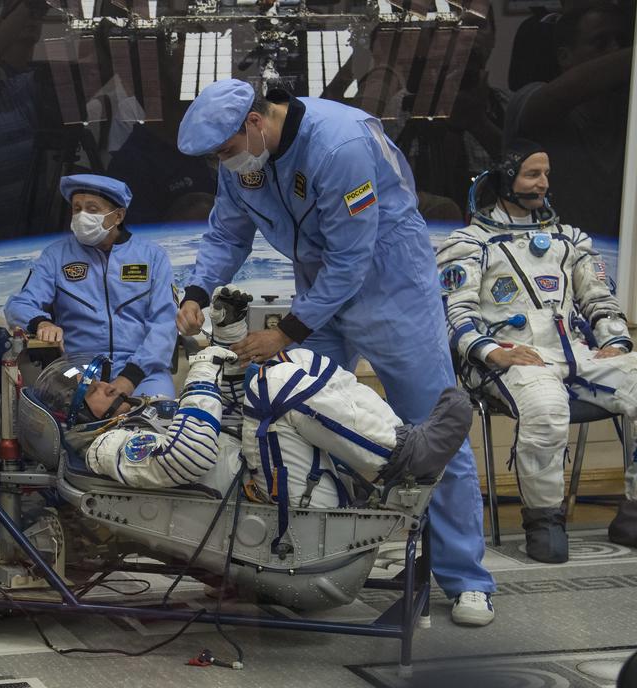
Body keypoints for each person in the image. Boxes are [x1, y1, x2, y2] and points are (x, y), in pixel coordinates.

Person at [174, 78, 498, 626]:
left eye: (225, 151)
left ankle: (466, 577)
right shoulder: (245, 161)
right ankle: (311, 561)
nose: (222, 164)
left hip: (389, 285)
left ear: (255, 122)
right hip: (318, 289)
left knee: (432, 426)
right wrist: (198, 291)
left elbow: (352, 259)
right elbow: (228, 234)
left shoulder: (338, 145)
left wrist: (286, 332)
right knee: (297, 415)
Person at [33, 287, 473, 503]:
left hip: (272, 474)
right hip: (261, 501)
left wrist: (229, 336)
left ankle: (397, 443)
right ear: (76, 416)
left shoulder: (134, 415)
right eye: (94, 390)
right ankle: (401, 459)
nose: (110, 386)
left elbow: (232, 404)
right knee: (274, 386)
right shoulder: (107, 447)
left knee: (292, 362)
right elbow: (188, 457)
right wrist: (201, 375)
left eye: (101, 379)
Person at [437, 140, 637, 562]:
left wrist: (615, 341)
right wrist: (491, 352)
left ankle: (632, 513)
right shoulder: (469, 243)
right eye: (532, 174)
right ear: (505, 179)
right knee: (546, 410)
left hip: (574, 355)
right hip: (511, 359)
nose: (543, 183)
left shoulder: (571, 240)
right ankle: (545, 519)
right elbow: (454, 313)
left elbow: (599, 299)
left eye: (546, 174)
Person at [5, 174, 178, 398]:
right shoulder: (56, 256)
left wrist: (130, 377)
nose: (82, 216)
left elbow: (164, 324)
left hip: (143, 370)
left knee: (160, 417)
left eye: (92, 209)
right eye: (77, 209)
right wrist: (42, 322)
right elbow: (18, 305)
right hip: (77, 369)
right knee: (68, 419)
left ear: (118, 216)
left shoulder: (152, 257)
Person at [504, 1, 631, 240]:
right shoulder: (531, 98)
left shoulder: (626, 118)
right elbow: (557, 96)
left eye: (622, 42)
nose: (614, 50)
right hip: (540, 259)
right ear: (564, 56)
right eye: (601, 43)